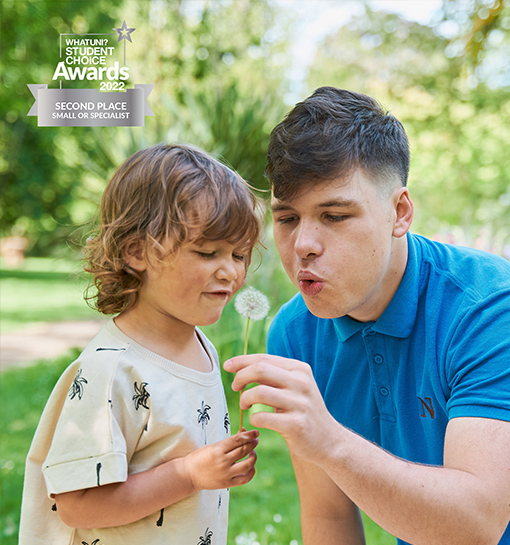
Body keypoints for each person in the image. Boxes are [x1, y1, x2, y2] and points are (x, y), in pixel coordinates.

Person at [225, 87, 510, 545]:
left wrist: (331, 442)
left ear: (399, 212)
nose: (303, 245)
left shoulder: (488, 309)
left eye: (334, 216)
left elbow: (478, 526)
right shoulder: (294, 334)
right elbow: (329, 519)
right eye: (287, 218)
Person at [19, 143, 261, 545]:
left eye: (239, 254)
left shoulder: (203, 348)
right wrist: (189, 475)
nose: (230, 271)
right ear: (136, 252)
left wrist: (217, 467)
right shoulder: (111, 370)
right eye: (207, 252)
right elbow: (76, 503)